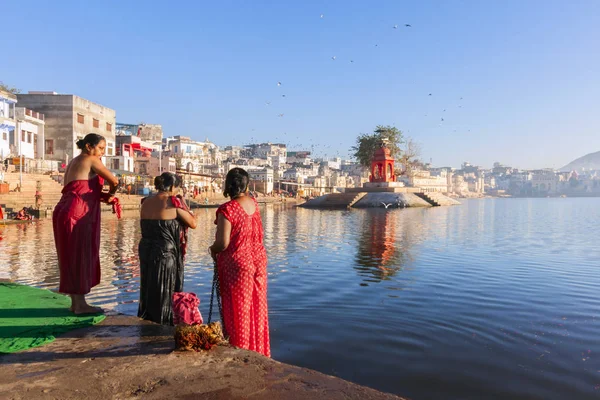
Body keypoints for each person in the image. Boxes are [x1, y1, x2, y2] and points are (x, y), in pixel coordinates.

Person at [53, 133, 119, 314]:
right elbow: (114, 180)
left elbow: (80, 187)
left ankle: (76, 303)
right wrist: (111, 193)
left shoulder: (74, 161)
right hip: (78, 211)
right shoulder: (91, 159)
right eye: (101, 148)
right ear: (89, 147)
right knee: (80, 253)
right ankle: (80, 305)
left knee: (69, 255)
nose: (102, 153)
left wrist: (100, 196)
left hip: (64, 209)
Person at [209, 168, 270, 357]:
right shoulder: (253, 204)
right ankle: (258, 351)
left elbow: (222, 243)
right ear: (246, 184)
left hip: (237, 265)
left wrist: (212, 250)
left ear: (228, 185)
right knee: (257, 308)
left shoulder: (228, 209)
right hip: (259, 261)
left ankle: (241, 351)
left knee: (239, 310)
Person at [138, 172, 197, 325]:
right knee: (164, 290)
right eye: (177, 188)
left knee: (149, 286)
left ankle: (148, 318)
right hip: (165, 253)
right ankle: (163, 323)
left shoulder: (146, 202)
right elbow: (193, 223)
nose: (177, 191)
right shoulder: (172, 203)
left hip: (146, 250)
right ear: (171, 187)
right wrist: (184, 205)